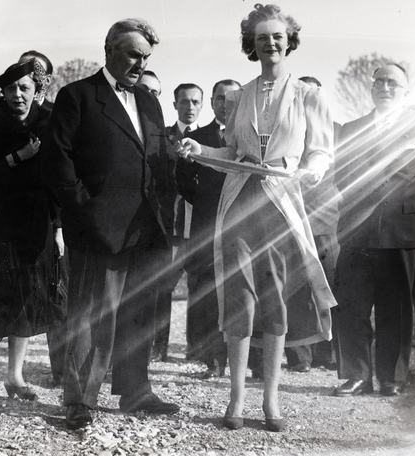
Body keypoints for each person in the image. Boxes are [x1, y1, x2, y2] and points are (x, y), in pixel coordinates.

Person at [180, 4, 336, 431]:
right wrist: (200, 150)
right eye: (262, 37)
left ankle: (271, 400)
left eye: (277, 37)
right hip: (240, 203)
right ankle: (236, 399)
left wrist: (311, 170)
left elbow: (320, 151)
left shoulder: (308, 95)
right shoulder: (240, 95)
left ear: (289, 42)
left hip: (281, 203)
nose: (270, 43)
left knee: (275, 298)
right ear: (251, 43)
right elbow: (232, 153)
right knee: (239, 299)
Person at [43, 18, 180, 430]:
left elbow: (155, 160)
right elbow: (58, 162)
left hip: (146, 228)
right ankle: (79, 400)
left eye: (146, 57)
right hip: (97, 230)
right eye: (134, 55)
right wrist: (85, 212)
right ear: (109, 50)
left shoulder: (150, 102)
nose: (141, 64)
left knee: (139, 312)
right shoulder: (77, 96)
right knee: (89, 316)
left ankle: (135, 391)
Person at [333, 63, 415, 397]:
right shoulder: (352, 129)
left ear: (405, 92)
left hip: (401, 231)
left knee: (396, 308)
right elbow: (342, 175)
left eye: (393, 83)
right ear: (371, 88)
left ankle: (391, 378)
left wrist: (409, 212)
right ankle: (357, 375)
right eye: (379, 81)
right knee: (352, 304)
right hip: (357, 231)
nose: (385, 87)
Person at [0, 50, 68, 388]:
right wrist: (17, 157)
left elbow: (59, 179)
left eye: (24, 88)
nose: (17, 95)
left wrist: (59, 228)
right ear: (2, 91)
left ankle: (15, 377)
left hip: (36, 226)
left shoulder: (51, 121)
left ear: (38, 88)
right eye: (11, 88)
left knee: (26, 302)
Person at [176, 79, 241, 378]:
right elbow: (183, 180)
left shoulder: (248, 137)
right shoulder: (197, 137)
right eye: (219, 99)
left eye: (231, 98)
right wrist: (207, 201)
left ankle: (250, 361)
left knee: (241, 288)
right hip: (206, 223)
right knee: (206, 290)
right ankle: (210, 359)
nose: (225, 104)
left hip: (240, 222)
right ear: (212, 102)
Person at [284, 75, 341, 372]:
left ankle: (327, 354)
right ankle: (299, 356)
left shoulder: (339, 132)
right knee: (295, 290)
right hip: (290, 221)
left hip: (325, 222)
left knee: (328, 287)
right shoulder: (285, 130)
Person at [152, 83, 204, 362]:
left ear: (202, 105)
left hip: (199, 225)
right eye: (184, 101)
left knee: (200, 285)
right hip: (170, 224)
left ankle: (197, 350)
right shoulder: (162, 137)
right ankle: (157, 348)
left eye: (195, 102)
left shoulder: (209, 139)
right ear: (174, 105)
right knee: (162, 287)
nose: (190, 107)